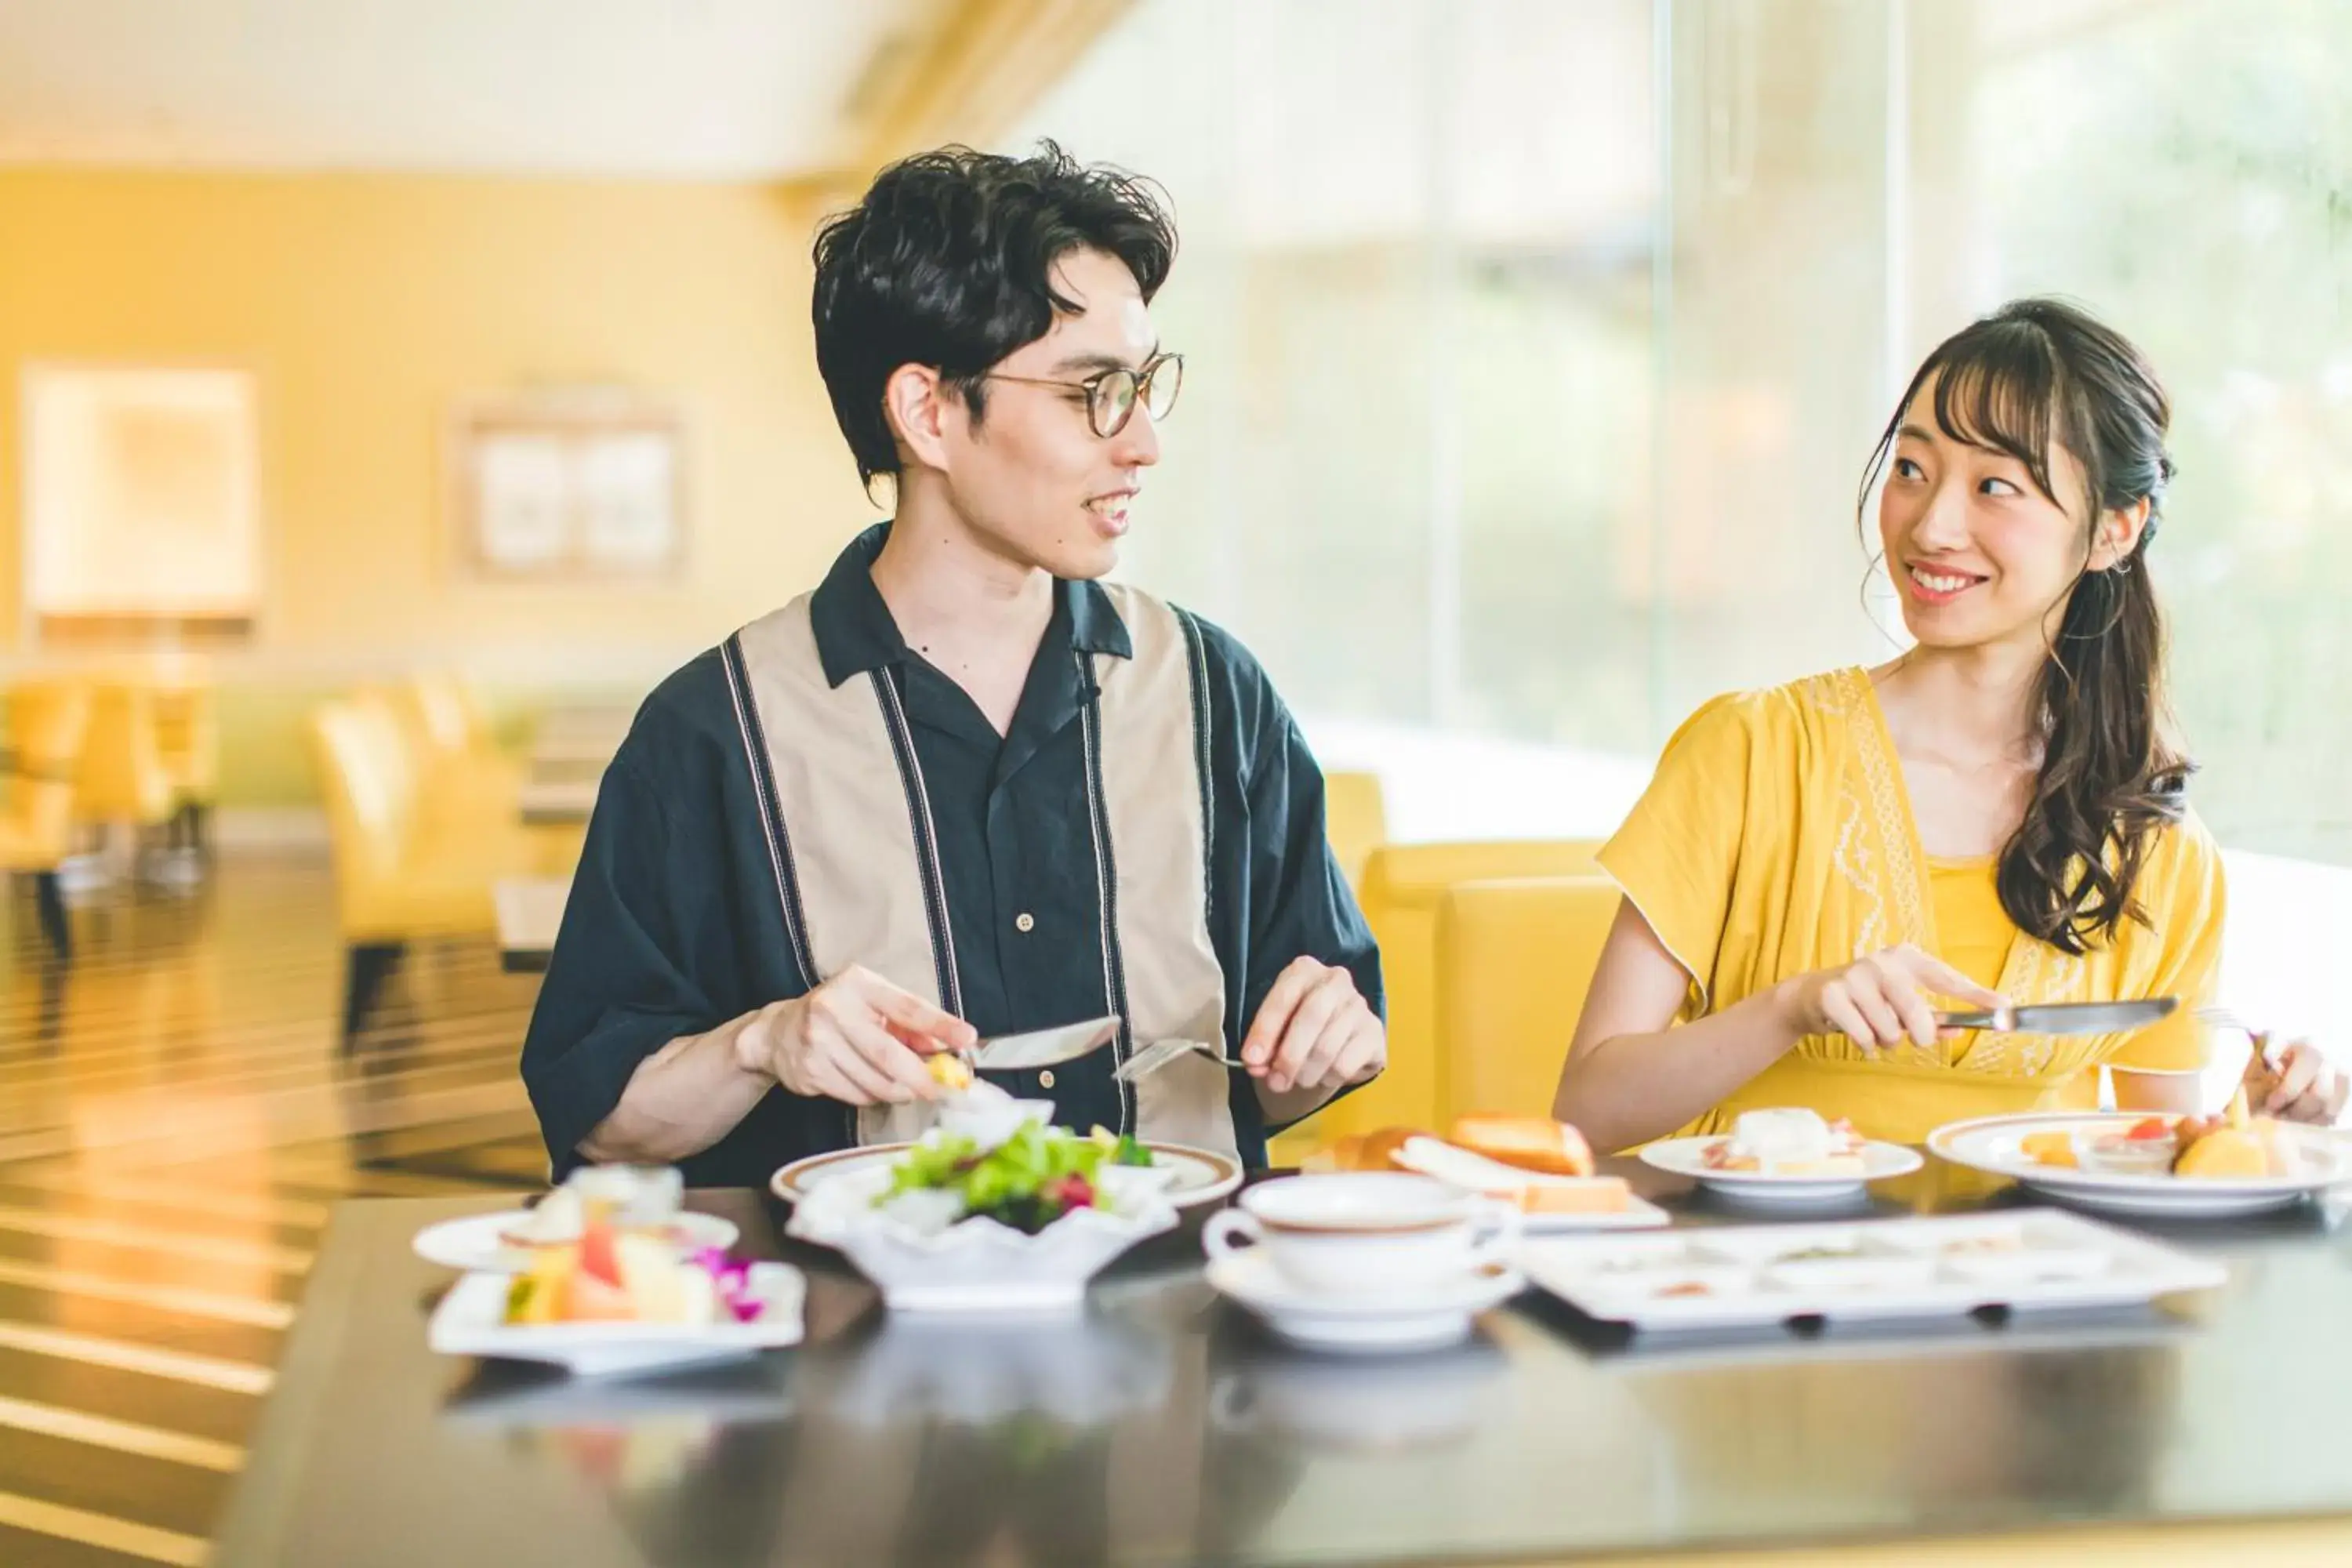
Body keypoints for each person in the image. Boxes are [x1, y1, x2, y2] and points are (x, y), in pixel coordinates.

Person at [521, 143, 1385, 1185]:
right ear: (929, 412)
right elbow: (600, 1118)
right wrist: (764, 1043)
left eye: (1145, 383)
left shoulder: (1216, 696)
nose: (1144, 441)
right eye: (1092, 392)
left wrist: (1322, 1046)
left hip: (1183, 1322)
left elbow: (1281, 1075)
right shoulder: (714, 731)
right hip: (855, 1337)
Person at [1555, 297, 2345, 1152]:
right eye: (1911, 469)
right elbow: (1586, 1112)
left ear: (2114, 530)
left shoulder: (2151, 834)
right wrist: (1790, 1008)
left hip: (2041, 1275)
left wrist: (2257, 1121)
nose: (1931, 525)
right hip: (1769, 1269)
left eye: (1994, 486)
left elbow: (2149, 1149)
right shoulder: (1750, 751)